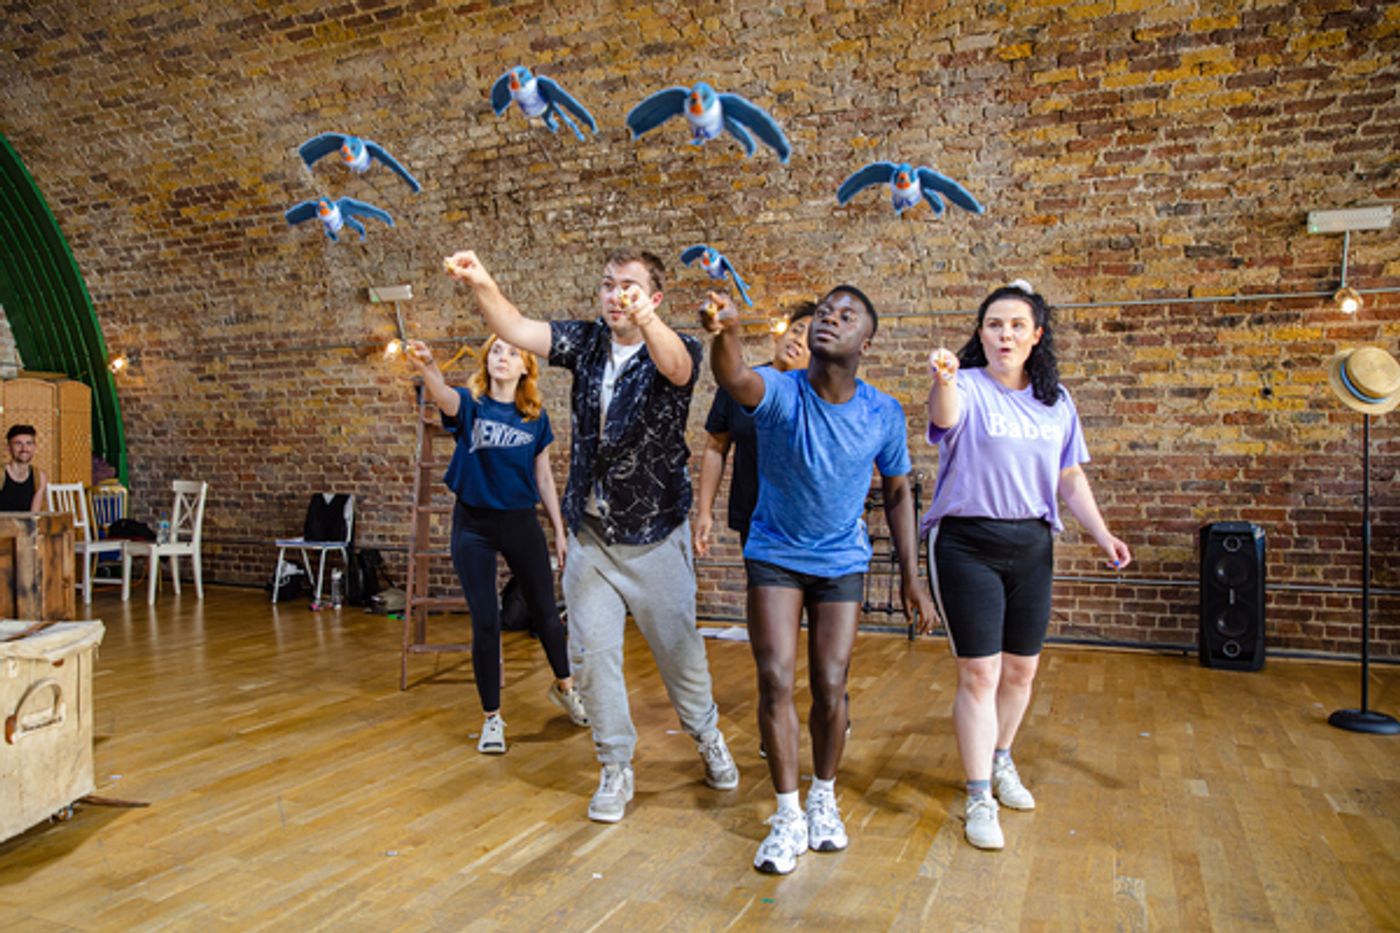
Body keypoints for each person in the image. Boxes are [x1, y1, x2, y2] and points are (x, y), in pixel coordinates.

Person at [443, 247, 739, 823]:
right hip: (592, 536)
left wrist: (647, 322)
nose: (614, 294)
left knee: (680, 657)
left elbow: (679, 370)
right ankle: (615, 765)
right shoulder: (584, 342)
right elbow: (514, 326)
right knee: (594, 656)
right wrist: (481, 279)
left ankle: (706, 736)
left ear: (653, 298)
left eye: (627, 286)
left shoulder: (677, 346)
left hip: (656, 534)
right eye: (607, 285)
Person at [705, 286, 935, 875]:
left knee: (831, 682)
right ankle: (786, 814)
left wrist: (914, 577)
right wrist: (727, 331)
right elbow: (736, 380)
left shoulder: (882, 412)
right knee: (776, 676)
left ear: (866, 340)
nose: (830, 320)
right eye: (824, 313)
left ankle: (824, 797)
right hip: (776, 552)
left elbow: (900, 489)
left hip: (840, 560)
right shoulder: (783, 392)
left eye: (845, 315)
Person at [922, 280, 1132, 851]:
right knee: (979, 674)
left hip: (1033, 543)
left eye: (1016, 325)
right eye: (994, 325)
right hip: (966, 543)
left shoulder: (1055, 400)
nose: (1004, 334)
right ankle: (978, 794)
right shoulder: (961, 384)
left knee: (1020, 672)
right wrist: (942, 380)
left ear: (1036, 336)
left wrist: (1102, 532)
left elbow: (1069, 476)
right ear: (980, 334)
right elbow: (945, 417)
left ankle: (1001, 759)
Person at [407, 334, 588, 755]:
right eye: (496, 352)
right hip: (474, 525)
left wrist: (560, 531)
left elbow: (544, 478)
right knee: (486, 621)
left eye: (511, 353)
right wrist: (429, 367)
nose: (501, 358)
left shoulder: (535, 417)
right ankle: (492, 718)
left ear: (526, 366)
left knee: (546, 613)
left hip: (521, 521)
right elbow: (444, 398)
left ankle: (566, 687)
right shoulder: (471, 405)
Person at [693, 302, 813, 557]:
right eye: (797, 329)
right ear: (781, 334)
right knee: (762, 595)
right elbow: (716, 447)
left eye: (810, 340)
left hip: (803, 525)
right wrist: (705, 511)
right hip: (754, 518)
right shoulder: (740, 383)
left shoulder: (817, 398)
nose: (799, 341)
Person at [0, 425, 46, 512]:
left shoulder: (39, 477)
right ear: (8, 447)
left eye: (29, 443)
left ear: (34, 447)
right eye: (18, 443)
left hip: (25, 525)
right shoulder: (1, 474)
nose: (24, 449)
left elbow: (33, 516)